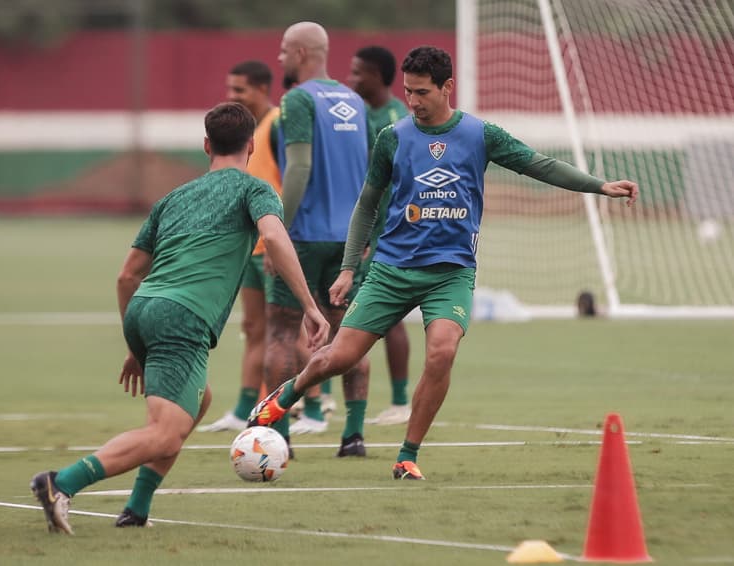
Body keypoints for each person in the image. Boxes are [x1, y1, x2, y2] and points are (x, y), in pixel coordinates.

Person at [249, 45, 638, 480]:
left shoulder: (480, 134)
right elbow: (366, 206)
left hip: (450, 274)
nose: (412, 101)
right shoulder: (392, 137)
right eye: (408, 92)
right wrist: (346, 269)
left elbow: (539, 165)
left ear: (447, 87)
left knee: (442, 351)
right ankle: (287, 394)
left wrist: (599, 186)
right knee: (336, 358)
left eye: (422, 92)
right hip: (391, 271)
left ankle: (407, 455)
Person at [30, 102, 329, 534]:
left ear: (206, 145)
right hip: (182, 318)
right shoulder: (256, 189)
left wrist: (137, 346)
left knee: (199, 401)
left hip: (143, 308)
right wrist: (309, 306)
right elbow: (273, 236)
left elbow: (127, 275)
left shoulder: (172, 198)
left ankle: (136, 509)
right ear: (250, 146)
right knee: (166, 432)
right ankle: (61, 483)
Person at [265, 21, 371, 456]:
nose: (280, 58)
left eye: (285, 50)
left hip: (305, 236)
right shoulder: (355, 101)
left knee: (282, 331)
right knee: (351, 336)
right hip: (349, 240)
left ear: (302, 53)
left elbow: (300, 168)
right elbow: (369, 173)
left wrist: (278, 230)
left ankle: (278, 437)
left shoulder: (297, 100)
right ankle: (354, 436)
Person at [199, 61, 283, 432]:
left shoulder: (280, 125)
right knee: (253, 327)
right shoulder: (240, 132)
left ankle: (308, 405)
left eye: (240, 90)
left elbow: (297, 180)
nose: (233, 96)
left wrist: (285, 237)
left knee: (288, 331)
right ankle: (245, 408)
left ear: (263, 89)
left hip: (277, 242)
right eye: (230, 89)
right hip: (249, 245)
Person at [347, 45, 413, 426]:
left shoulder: (393, 120)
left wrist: (375, 234)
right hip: (363, 226)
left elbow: (390, 185)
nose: (352, 79)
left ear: (378, 76)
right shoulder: (358, 114)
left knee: (388, 316)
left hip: (387, 229)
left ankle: (401, 401)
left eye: (359, 73)